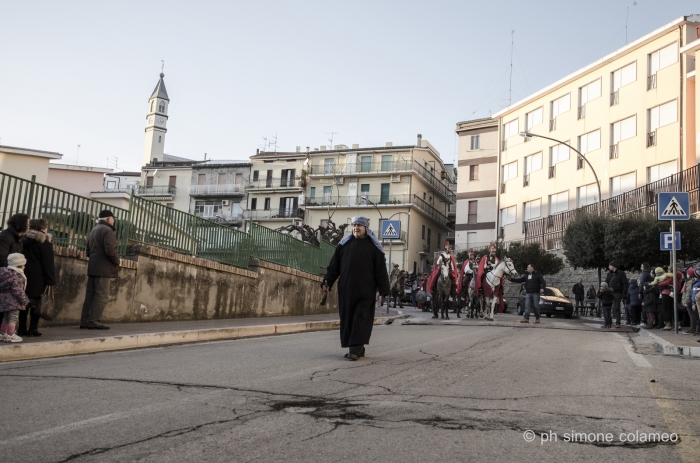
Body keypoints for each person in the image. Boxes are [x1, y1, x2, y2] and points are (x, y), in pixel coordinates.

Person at [322, 216, 390, 361]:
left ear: (366, 227)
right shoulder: (343, 245)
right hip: (346, 289)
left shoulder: (374, 247)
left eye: (359, 225)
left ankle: (354, 350)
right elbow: (334, 266)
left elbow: (380, 270)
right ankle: (359, 347)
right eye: (354, 225)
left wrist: (382, 290)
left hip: (366, 290)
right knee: (348, 318)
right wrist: (327, 280)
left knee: (361, 318)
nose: (356, 228)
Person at [80, 210, 121, 330]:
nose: (114, 221)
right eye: (113, 218)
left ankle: (84, 321)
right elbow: (111, 250)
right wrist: (117, 261)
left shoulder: (94, 229)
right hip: (103, 267)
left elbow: (87, 250)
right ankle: (94, 322)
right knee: (101, 296)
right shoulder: (107, 230)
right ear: (109, 219)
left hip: (93, 265)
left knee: (90, 295)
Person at [19, 219, 56, 337]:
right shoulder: (44, 241)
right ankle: (33, 329)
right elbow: (48, 263)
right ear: (42, 228)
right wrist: (51, 279)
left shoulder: (23, 240)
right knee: (37, 303)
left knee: (24, 302)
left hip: (23, 275)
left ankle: (21, 328)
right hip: (38, 277)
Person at [0, 253, 29, 342]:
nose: (24, 266)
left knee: (6, 317)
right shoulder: (17, 275)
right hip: (14, 301)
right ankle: (11, 334)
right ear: (19, 265)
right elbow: (17, 290)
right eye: (23, 264)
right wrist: (25, 300)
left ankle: (2, 333)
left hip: (4, 300)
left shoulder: (4, 273)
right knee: (13, 317)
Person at [426, 242, 457, 318]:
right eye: (449, 248)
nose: (450, 250)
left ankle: (453, 289)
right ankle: (433, 288)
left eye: (450, 249)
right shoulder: (442, 255)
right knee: (436, 277)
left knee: (452, 279)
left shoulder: (451, 257)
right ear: (446, 248)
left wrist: (451, 269)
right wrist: (441, 263)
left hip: (448, 270)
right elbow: (437, 262)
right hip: (442, 269)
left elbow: (453, 266)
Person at [605, 260, 629, 328]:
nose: (609, 267)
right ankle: (608, 321)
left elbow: (625, 284)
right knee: (608, 307)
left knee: (616, 307)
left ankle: (618, 322)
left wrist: (624, 293)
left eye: (610, 265)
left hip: (617, 292)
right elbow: (606, 282)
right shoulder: (609, 274)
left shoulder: (621, 273)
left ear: (613, 266)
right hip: (609, 293)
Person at [681, 268, 699, 335]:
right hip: (690, 300)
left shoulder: (690, 282)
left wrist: (686, 301)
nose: (686, 274)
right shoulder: (688, 281)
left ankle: (692, 328)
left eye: (687, 273)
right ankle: (693, 328)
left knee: (692, 315)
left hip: (690, 301)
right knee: (693, 315)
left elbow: (688, 292)